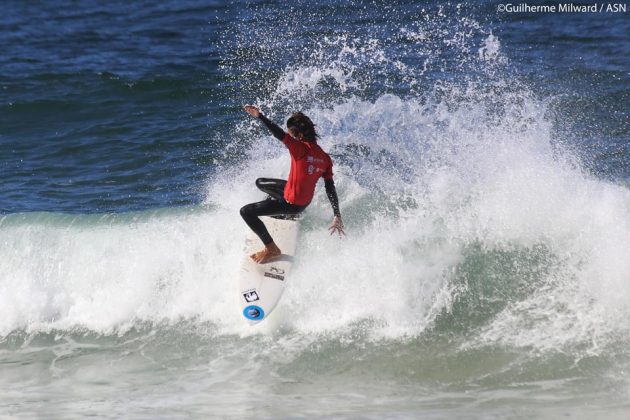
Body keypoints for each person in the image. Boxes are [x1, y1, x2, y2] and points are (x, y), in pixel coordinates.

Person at [241, 105, 345, 264]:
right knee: (260, 183)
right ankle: (280, 210)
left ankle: (272, 249)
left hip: (292, 203)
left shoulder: (299, 149)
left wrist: (260, 116)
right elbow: (330, 188)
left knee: (246, 212)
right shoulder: (325, 158)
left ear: (300, 135)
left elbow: (278, 134)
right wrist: (337, 214)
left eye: (292, 135)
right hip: (299, 198)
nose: (290, 137)